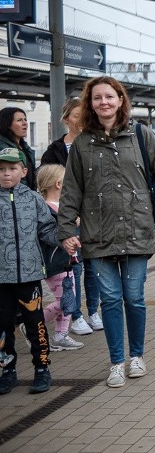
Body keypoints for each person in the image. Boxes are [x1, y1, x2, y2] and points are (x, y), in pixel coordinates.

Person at [58, 76, 155, 389]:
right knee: (110, 300)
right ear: (90, 103)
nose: (104, 103)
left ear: (120, 100)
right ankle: (116, 362)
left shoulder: (141, 134)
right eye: (97, 98)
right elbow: (71, 190)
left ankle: (136, 355)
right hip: (97, 235)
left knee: (134, 297)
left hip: (137, 230)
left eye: (109, 97)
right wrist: (66, 228)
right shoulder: (83, 143)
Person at [39, 97, 102, 334]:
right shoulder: (54, 151)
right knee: (73, 269)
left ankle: (93, 311)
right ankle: (75, 315)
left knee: (94, 267)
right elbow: (46, 182)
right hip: (68, 219)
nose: (82, 120)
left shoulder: (95, 144)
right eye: (77, 116)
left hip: (93, 217)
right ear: (67, 119)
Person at [0, 147, 58, 394]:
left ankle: (42, 368)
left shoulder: (34, 199)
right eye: (1, 169)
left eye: (12, 169)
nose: (6, 174)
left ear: (24, 171)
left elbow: (47, 230)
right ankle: (8, 369)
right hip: (2, 277)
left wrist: (67, 238)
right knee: (3, 325)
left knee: (35, 324)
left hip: (30, 275)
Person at [37, 164, 85, 352]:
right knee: (64, 300)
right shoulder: (47, 209)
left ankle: (61, 335)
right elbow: (50, 235)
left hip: (67, 261)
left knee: (68, 297)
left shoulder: (62, 207)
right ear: (58, 184)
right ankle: (34, 325)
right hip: (55, 262)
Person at [0, 107, 37, 190]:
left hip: (26, 196)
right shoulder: (2, 148)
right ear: (7, 124)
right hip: (9, 198)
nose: (25, 123)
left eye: (25, 119)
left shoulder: (25, 147)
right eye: (19, 120)